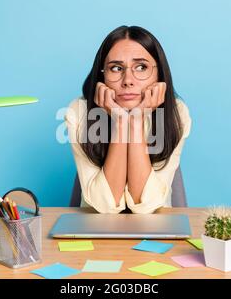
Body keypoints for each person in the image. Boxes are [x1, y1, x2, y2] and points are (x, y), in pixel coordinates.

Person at [65, 25, 192, 214]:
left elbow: (146, 205)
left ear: (159, 74)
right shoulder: (79, 112)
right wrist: (121, 122)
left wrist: (136, 122)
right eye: (116, 68)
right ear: (102, 75)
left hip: (157, 226)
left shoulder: (176, 113)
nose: (128, 80)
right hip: (95, 228)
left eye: (141, 67)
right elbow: (107, 206)